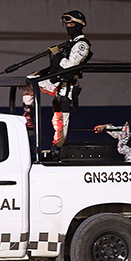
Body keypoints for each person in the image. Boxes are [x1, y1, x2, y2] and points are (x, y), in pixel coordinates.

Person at [23, 10, 92, 156]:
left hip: (66, 86)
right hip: (55, 81)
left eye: (72, 24)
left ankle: (56, 148)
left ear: (80, 25)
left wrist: (57, 54)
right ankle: (27, 115)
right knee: (30, 81)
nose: (69, 27)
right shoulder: (69, 44)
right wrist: (41, 73)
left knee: (60, 121)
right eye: (67, 24)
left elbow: (69, 66)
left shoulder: (82, 45)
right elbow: (56, 66)